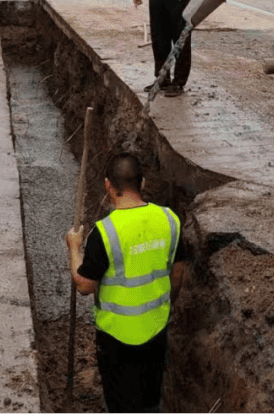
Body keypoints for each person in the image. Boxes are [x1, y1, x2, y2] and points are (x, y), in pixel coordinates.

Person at [65, 153, 186, 415]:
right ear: (141, 183)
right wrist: (163, 306)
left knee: (121, 405)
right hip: (157, 331)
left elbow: (84, 285)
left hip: (116, 341)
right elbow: (177, 273)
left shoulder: (104, 233)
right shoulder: (169, 220)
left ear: (108, 185)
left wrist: (74, 248)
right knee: (150, 401)